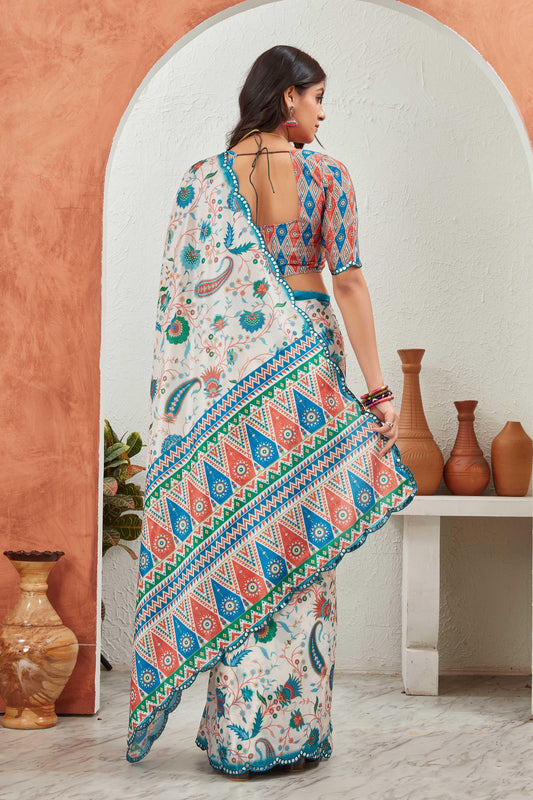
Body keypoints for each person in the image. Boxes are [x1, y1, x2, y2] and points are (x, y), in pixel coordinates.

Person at [126, 45, 417, 777]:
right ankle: (283, 733)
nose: (323, 111)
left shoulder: (202, 182)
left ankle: (237, 733)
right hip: (302, 364)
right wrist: (377, 389)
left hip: (225, 382)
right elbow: (345, 281)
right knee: (296, 539)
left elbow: (181, 309)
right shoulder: (324, 175)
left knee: (236, 539)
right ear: (288, 98)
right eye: (317, 97)